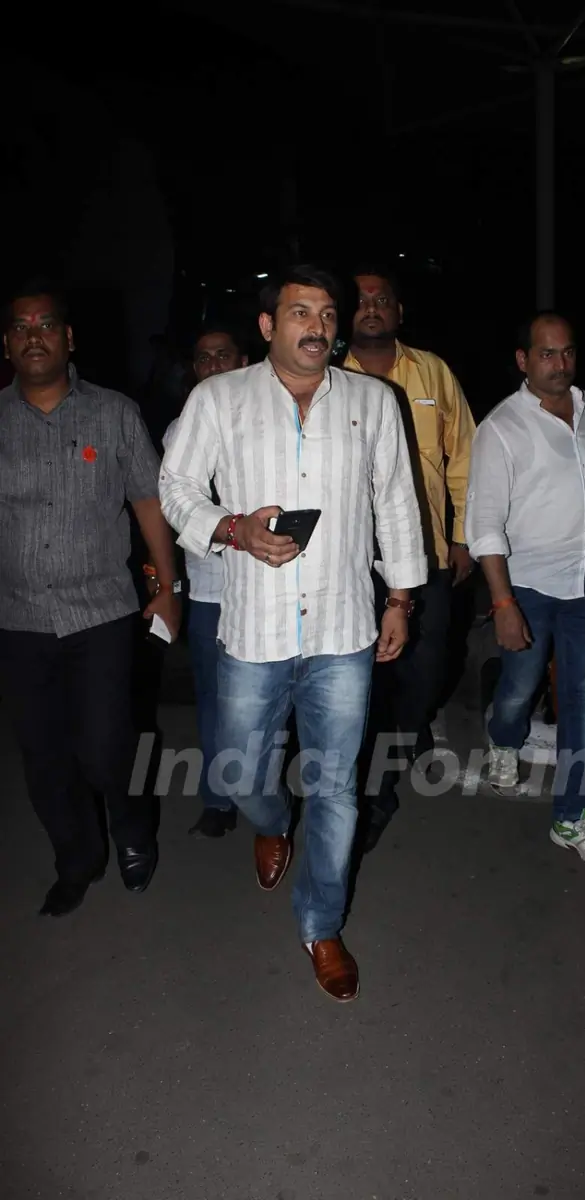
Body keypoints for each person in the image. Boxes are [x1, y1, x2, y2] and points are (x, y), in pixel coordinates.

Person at [160, 265, 425, 1001]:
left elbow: (397, 500)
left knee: (339, 787)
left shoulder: (374, 401)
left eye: (328, 313)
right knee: (243, 774)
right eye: (300, 312)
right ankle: (271, 822)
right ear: (269, 326)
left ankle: (321, 925)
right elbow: (175, 488)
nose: (318, 325)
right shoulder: (218, 399)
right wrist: (233, 529)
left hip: (344, 627)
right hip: (255, 629)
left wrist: (400, 596)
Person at [0, 282, 181, 916]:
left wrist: (167, 586)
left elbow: (149, 502)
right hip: (17, 619)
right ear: (7, 344)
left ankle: (132, 831)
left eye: (45, 324)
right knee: (44, 758)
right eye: (20, 327)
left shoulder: (114, 413)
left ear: (68, 338)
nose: (33, 336)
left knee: (108, 748)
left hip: (102, 611)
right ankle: (77, 859)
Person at [465, 312, 585, 868]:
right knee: (519, 684)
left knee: (581, 700)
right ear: (523, 360)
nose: (559, 364)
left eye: (567, 352)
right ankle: (503, 739)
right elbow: (484, 527)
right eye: (546, 353)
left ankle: (572, 817)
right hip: (530, 585)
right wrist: (503, 604)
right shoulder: (501, 429)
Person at [344, 267, 476, 851]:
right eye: (360, 301)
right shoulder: (322, 376)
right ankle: (375, 794)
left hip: (426, 553)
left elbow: (464, 455)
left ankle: (409, 727)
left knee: (425, 667)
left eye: (382, 300)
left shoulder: (434, 372)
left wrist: (464, 535)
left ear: (399, 313)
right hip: (350, 559)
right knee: (361, 678)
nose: (371, 308)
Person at [163, 322, 249, 838]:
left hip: (269, 587)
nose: (213, 365)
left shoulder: (273, 422)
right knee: (215, 699)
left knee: (272, 700)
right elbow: (174, 508)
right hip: (211, 591)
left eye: (223, 355)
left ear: (243, 362)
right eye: (203, 358)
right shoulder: (179, 430)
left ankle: (270, 792)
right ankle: (219, 800)